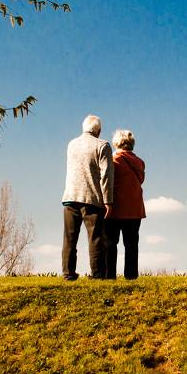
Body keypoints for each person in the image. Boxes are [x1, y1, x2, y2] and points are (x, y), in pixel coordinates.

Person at [61, 114, 113, 280]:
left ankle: (68, 273)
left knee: (70, 238)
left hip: (70, 196)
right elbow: (106, 175)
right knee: (95, 238)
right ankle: (97, 275)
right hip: (92, 198)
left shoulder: (71, 144)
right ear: (98, 130)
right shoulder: (103, 145)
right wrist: (108, 201)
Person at [105, 129, 146, 280]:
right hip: (135, 209)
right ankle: (131, 276)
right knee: (131, 244)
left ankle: (110, 276)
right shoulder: (140, 162)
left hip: (115, 208)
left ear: (117, 142)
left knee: (110, 243)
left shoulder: (113, 160)